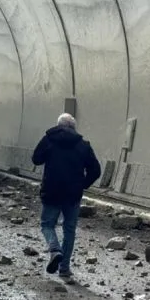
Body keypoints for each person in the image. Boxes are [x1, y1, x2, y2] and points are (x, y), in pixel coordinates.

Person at [31, 113, 101, 280]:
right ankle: (64, 268)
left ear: (58, 125)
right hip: (72, 194)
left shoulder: (49, 140)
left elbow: (36, 159)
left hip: (51, 191)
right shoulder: (83, 145)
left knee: (47, 224)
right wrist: (82, 184)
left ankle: (54, 250)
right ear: (74, 127)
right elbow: (95, 170)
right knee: (69, 229)